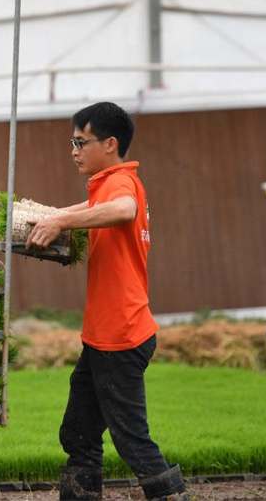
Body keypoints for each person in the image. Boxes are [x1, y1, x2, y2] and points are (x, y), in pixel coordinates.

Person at [26, 101, 188, 501]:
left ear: (111, 144)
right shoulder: (111, 182)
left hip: (121, 335)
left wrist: (60, 221)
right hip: (104, 335)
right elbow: (95, 208)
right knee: (78, 428)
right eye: (73, 142)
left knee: (132, 441)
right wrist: (46, 215)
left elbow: (122, 210)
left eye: (81, 142)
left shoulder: (120, 185)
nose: (74, 150)